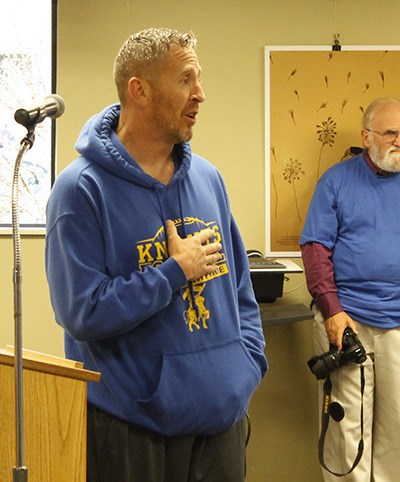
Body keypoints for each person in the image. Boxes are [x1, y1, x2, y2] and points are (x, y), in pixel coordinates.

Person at [45, 28, 267, 482]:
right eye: (186, 79)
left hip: (221, 421)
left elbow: (239, 287)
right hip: (131, 426)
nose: (200, 94)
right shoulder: (80, 189)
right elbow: (81, 311)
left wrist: (246, 366)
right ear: (139, 90)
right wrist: (172, 274)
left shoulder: (208, 178)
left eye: (199, 79)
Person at [300, 96, 400, 481]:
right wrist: (333, 311)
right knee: (347, 428)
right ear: (367, 135)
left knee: (398, 428)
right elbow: (315, 249)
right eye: (391, 133)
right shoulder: (337, 181)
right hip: (347, 324)